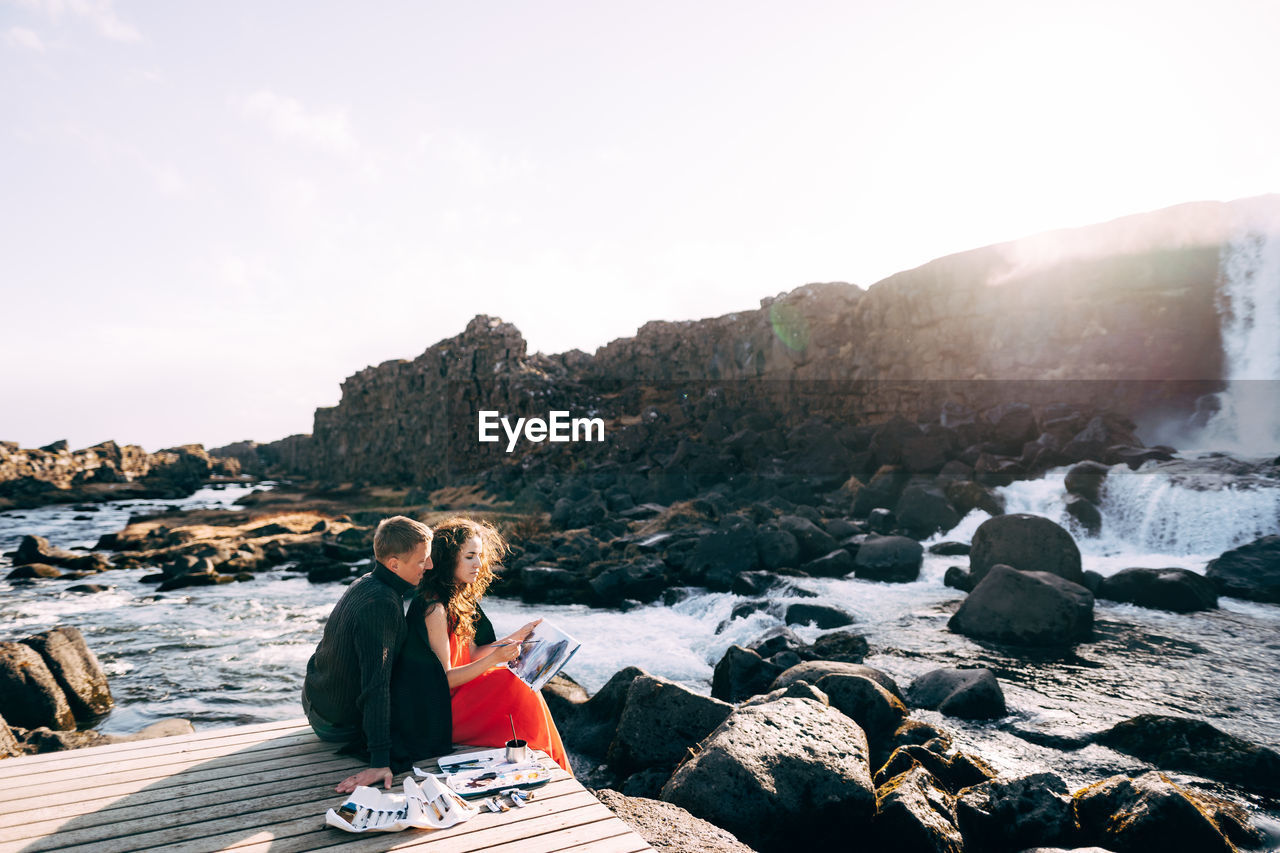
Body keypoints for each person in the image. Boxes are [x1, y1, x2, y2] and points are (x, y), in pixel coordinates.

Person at [409, 516, 572, 773]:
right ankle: (550, 763)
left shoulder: (458, 599)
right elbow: (444, 680)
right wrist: (493, 661)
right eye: (470, 556)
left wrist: (518, 636)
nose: (478, 564)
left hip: (462, 693)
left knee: (521, 680)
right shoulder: (435, 608)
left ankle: (549, 760)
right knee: (514, 682)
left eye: (480, 556)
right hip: (439, 710)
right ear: (449, 558)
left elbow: (471, 653)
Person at [302, 515, 433, 793]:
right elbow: (376, 685)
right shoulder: (381, 603)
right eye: (422, 561)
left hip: (316, 698)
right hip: (333, 724)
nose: (429, 566)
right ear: (394, 564)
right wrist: (379, 761)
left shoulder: (369, 581)